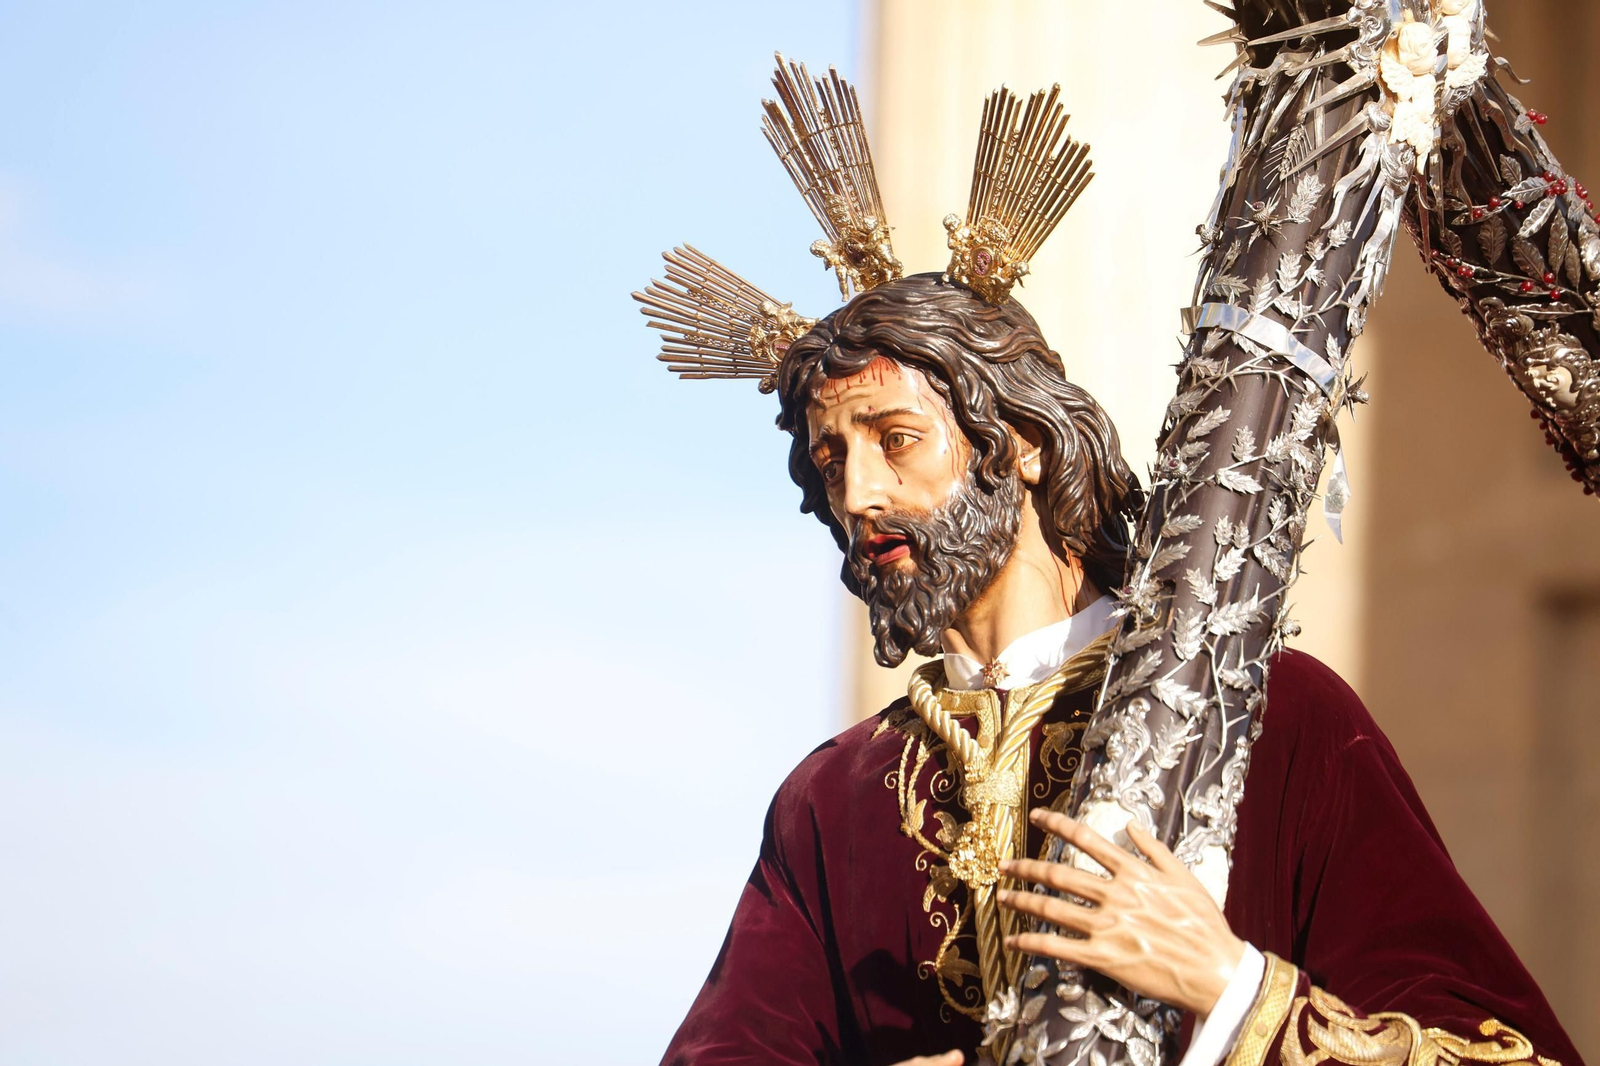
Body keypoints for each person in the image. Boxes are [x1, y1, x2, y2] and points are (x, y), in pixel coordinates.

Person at [657, 275, 1582, 1066]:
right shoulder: (836, 801)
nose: (858, 496)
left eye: (896, 440)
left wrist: (1231, 989)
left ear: (1016, 442)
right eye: (831, 459)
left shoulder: (1271, 716)